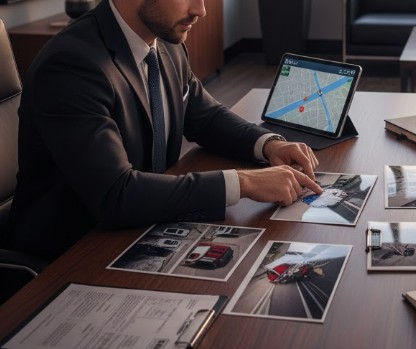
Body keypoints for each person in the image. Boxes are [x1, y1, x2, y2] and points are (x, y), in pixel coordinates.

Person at [8, 0, 322, 263]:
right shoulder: (72, 64)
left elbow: (205, 116)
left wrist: (268, 145)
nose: (200, 10)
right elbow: (117, 195)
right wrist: (244, 182)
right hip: (74, 255)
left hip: (145, 226)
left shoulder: (164, 42)